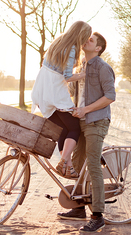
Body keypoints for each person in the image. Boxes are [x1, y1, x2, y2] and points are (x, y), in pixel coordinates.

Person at [57, 32, 116, 233]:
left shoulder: (103, 67)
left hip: (96, 122)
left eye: (91, 40)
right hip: (81, 121)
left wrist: (86, 110)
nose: (86, 41)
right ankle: (79, 207)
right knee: (77, 163)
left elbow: (110, 96)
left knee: (92, 164)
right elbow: (75, 93)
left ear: (98, 48)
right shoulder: (81, 66)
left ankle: (98, 215)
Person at [31, 21, 92, 178]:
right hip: (55, 91)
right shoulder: (72, 48)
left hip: (42, 88)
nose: (86, 41)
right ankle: (64, 161)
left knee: (63, 130)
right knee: (75, 128)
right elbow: (68, 76)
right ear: (81, 35)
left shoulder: (57, 41)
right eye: (86, 37)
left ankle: (67, 166)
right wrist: (85, 74)